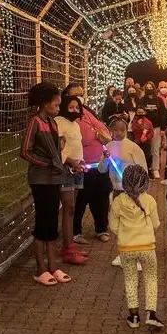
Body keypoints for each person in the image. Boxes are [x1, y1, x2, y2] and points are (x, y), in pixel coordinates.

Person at [22, 82, 83, 285]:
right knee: (43, 222)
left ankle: (53, 266)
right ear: (45, 103)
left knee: (52, 222)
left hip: (54, 178)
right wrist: (46, 163)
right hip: (40, 179)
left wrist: (66, 163)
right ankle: (40, 268)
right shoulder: (36, 122)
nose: (58, 108)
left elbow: (57, 153)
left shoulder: (52, 123)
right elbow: (25, 151)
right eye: (56, 104)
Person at [109, 166, 165, 329]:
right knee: (151, 278)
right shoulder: (150, 200)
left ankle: (134, 317)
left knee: (130, 279)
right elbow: (155, 224)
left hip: (126, 248)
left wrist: (125, 234)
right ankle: (151, 314)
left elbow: (113, 226)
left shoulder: (118, 201)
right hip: (147, 247)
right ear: (145, 183)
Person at [63, 83, 113, 248]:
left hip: (99, 162)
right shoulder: (65, 118)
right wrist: (95, 135)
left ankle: (101, 228)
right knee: (81, 199)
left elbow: (102, 128)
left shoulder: (86, 111)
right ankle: (75, 231)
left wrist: (102, 136)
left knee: (102, 196)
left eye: (81, 94)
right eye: (75, 95)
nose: (79, 98)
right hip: (81, 165)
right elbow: (79, 139)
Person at [104, 118, 149, 267]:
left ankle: (137, 256)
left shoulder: (133, 148)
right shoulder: (108, 146)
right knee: (121, 224)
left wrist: (141, 190)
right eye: (115, 130)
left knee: (133, 224)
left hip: (132, 192)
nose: (118, 133)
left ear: (126, 130)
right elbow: (101, 169)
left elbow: (143, 169)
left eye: (122, 130)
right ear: (111, 130)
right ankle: (123, 253)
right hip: (116, 191)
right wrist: (104, 160)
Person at [54, 95, 89, 265]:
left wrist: (80, 162)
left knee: (72, 208)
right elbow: (58, 149)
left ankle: (69, 245)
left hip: (77, 169)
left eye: (77, 107)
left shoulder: (75, 124)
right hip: (66, 170)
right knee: (68, 208)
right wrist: (71, 162)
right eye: (71, 107)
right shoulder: (59, 122)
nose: (75, 110)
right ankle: (68, 248)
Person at [138, 82, 164, 179]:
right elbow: (139, 112)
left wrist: (163, 128)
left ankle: (155, 168)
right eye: (147, 87)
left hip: (156, 127)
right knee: (144, 148)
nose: (149, 89)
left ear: (154, 88)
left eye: (151, 87)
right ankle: (144, 168)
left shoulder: (159, 100)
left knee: (155, 149)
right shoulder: (142, 100)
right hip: (144, 127)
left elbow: (163, 115)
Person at [131, 107, 155, 172]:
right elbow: (133, 129)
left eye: (142, 112)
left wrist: (146, 138)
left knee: (147, 157)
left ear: (145, 113)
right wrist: (140, 125)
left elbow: (151, 132)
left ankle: (147, 171)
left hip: (146, 143)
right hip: (137, 143)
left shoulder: (148, 122)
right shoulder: (134, 121)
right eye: (139, 112)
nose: (140, 114)